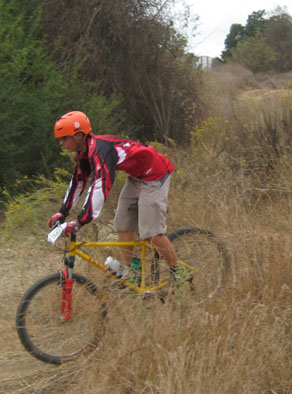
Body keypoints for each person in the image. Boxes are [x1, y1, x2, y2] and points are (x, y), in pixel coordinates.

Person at [48, 110, 188, 282]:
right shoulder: (84, 153)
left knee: (151, 233)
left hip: (155, 174)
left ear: (78, 136)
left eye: (64, 138)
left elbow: (100, 185)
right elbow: (78, 182)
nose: (61, 143)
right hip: (137, 177)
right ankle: (132, 273)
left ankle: (180, 273)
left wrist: (80, 221)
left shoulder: (100, 151)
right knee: (122, 223)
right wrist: (62, 212)